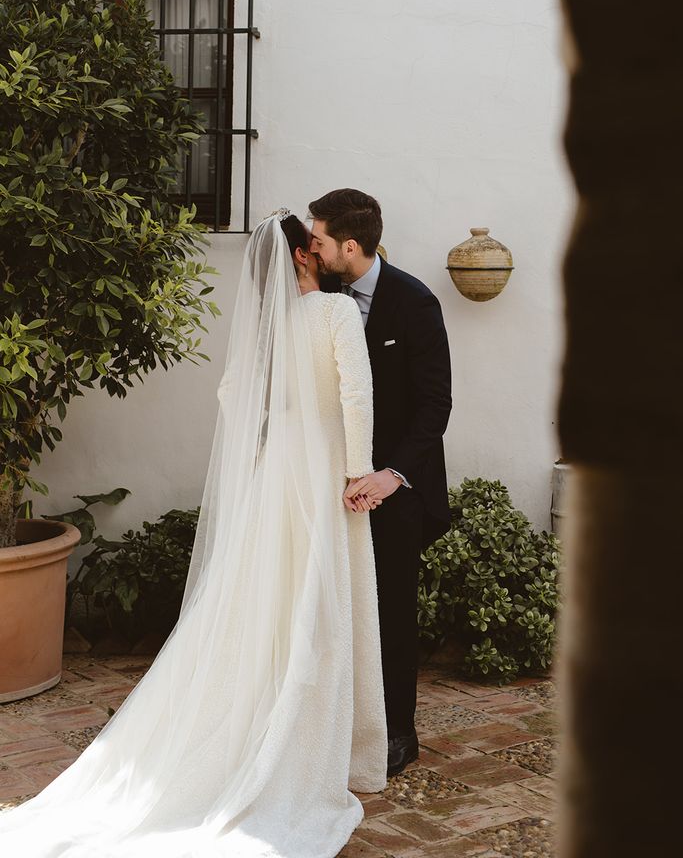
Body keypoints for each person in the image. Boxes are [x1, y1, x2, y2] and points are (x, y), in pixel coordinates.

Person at [0, 212, 387, 858]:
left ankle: (259, 723)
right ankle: (308, 745)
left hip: (274, 474)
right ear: (300, 257)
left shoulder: (270, 328)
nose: (320, 248)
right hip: (320, 471)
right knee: (318, 607)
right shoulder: (336, 316)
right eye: (313, 242)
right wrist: (356, 470)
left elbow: (236, 396)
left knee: (263, 602)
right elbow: (355, 397)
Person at [308, 189, 452, 778]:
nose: (312, 248)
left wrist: (390, 477)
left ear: (350, 245)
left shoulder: (415, 301)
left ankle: (400, 733)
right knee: (340, 606)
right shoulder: (325, 296)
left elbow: (435, 406)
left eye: (320, 239)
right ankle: (344, 721)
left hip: (397, 489)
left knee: (391, 610)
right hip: (334, 486)